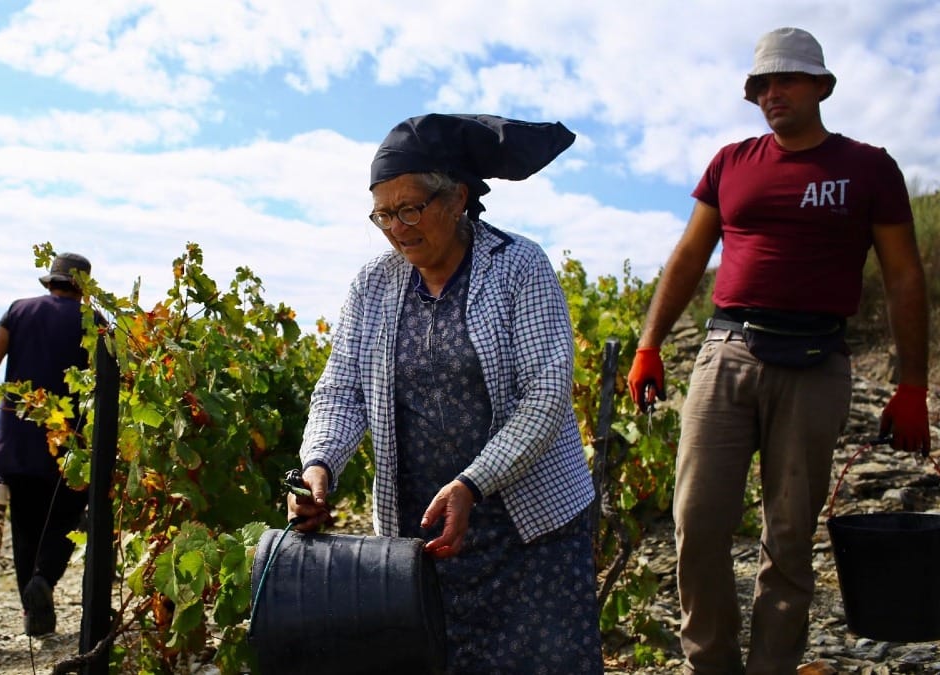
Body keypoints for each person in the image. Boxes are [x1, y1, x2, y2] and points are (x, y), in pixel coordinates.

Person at [627, 27, 931, 674]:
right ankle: (710, 664)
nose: (773, 93)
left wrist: (911, 386)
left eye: (786, 79)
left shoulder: (867, 167)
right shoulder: (732, 163)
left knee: (790, 537)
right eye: (761, 84)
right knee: (696, 523)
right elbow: (690, 256)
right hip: (727, 350)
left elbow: (905, 275)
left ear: (820, 86)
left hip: (817, 363)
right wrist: (650, 343)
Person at [289, 113, 603, 673]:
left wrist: (471, 484)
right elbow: (341, 390)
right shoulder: (374, 284)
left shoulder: (518, 266)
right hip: (425, 537)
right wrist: (319, 464)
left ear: (457, 198)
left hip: (530, 535)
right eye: (383, 214)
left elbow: (545, 393)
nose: (397, 228)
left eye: (410, 209)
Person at [0, 252, 94, 637]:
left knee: (25, 527)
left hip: (17, 442)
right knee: (67, 518)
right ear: (83, 287)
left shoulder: (18, 311)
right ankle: (44, 579)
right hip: (69, 444)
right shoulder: (94, 322)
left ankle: (33, 615)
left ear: (52, 281)